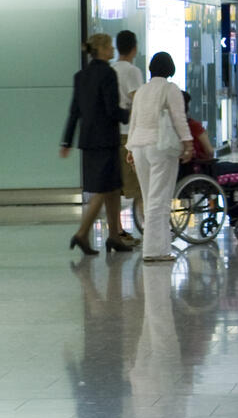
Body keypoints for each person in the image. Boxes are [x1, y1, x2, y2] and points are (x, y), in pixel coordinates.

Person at [61, 34, 132, 254]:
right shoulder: (108, 74)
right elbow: (112, 109)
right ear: (101, 50)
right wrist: (128, 114)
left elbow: (74, 111)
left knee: (112, 188)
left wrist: (66, 140)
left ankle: (114, 236)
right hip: (106, 140)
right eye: (109, 47)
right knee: (103, 189)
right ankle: (82, 233)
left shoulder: (80, 76)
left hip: (88, 140)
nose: (112, 50)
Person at [126, 51, 193, 263]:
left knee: (149, 198)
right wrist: (188, 142)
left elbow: (133, 120)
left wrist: (129, 148)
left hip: (139, 147)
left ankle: (160, 248)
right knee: (160, 199)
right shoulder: (170, 89)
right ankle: (154, 250)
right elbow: (179, 118)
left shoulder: (142, 91)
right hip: (160, 147)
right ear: (170, 69)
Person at [112, 30, 144, 231]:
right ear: (134, 48)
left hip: (113, 132)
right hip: (127, 133)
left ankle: (118, 229)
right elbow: (138, 100)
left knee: (115, 187)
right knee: (139, 185)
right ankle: (147, 227)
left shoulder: (111, 69)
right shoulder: (132, 71)